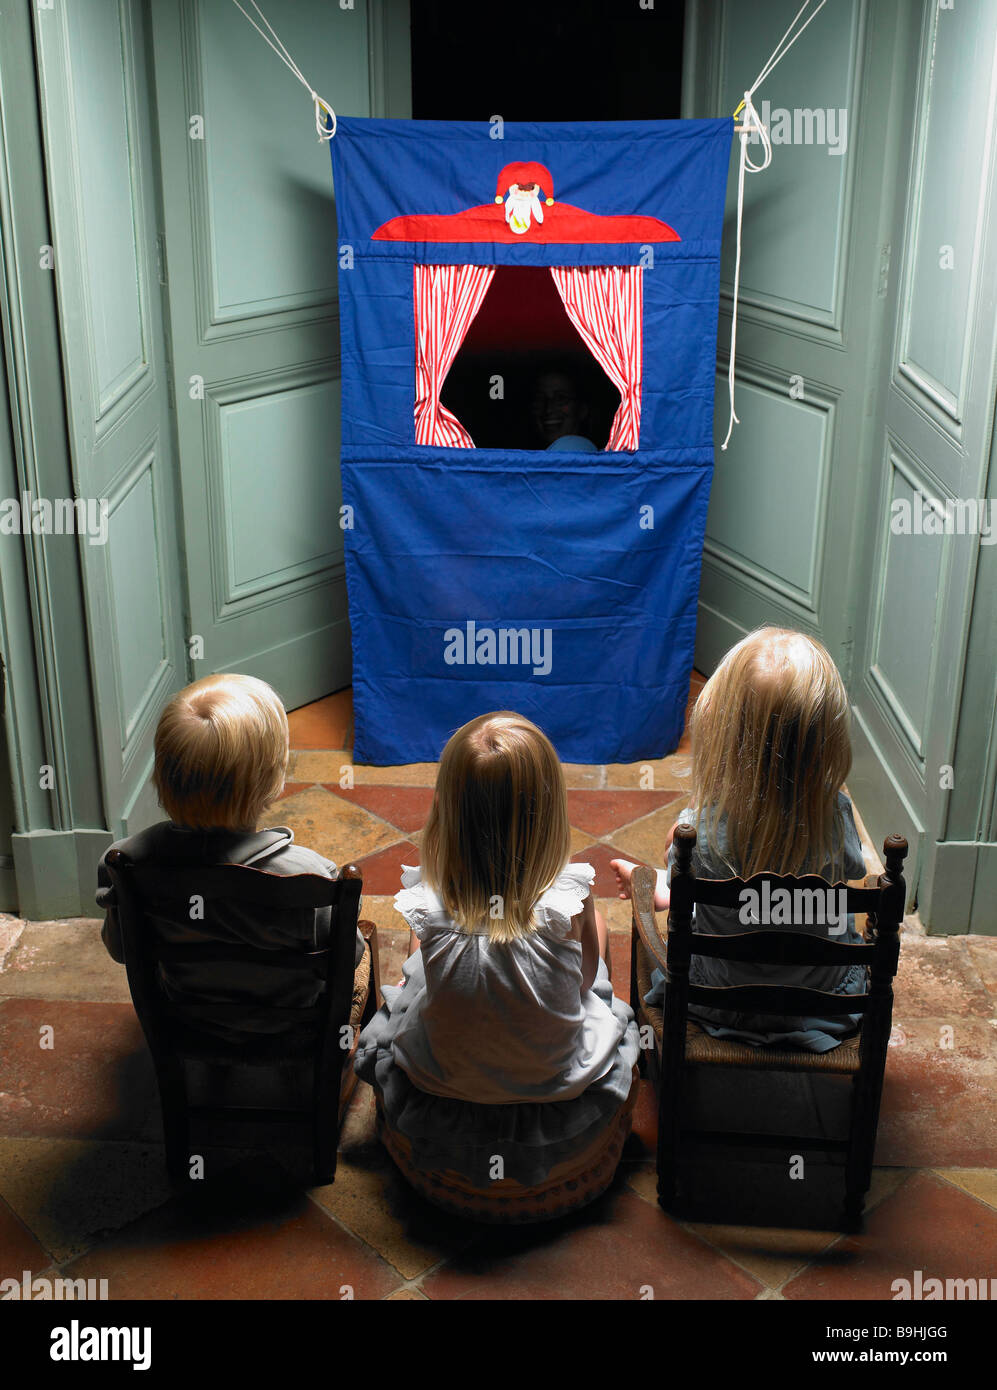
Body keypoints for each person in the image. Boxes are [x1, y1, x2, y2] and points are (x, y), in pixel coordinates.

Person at [355, 711, 640, 1186]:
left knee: (409, 985)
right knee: (609, 998)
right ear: (548, 813)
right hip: (555, 1081)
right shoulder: (569, 898)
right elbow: (587, 982)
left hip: (443, 1080)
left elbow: (431, 969)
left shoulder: (430, 898)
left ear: (448, 810)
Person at [611, 627, 869, 1052]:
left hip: (719, 998)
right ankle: (672, 889)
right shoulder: (836, 819)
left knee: (717, 893)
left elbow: (712, 881)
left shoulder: (699, 833)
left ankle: (661, 887)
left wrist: (673, 865)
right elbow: (849, 872)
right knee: (804, 908)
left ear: (729, 739)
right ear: (823, 743)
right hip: (818, 997)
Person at [96, 673, 365, 1044]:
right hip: (294, 1026)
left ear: (164, 775)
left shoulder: (127, 864)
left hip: (189, 1019)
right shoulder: (312, 879)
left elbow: (122, 951)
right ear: (272, 779)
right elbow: (347, 961)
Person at [530, 368, 598, 451]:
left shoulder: (578, 449)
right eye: (540, 399)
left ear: (582, 409)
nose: (548, 409)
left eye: (561, 398)